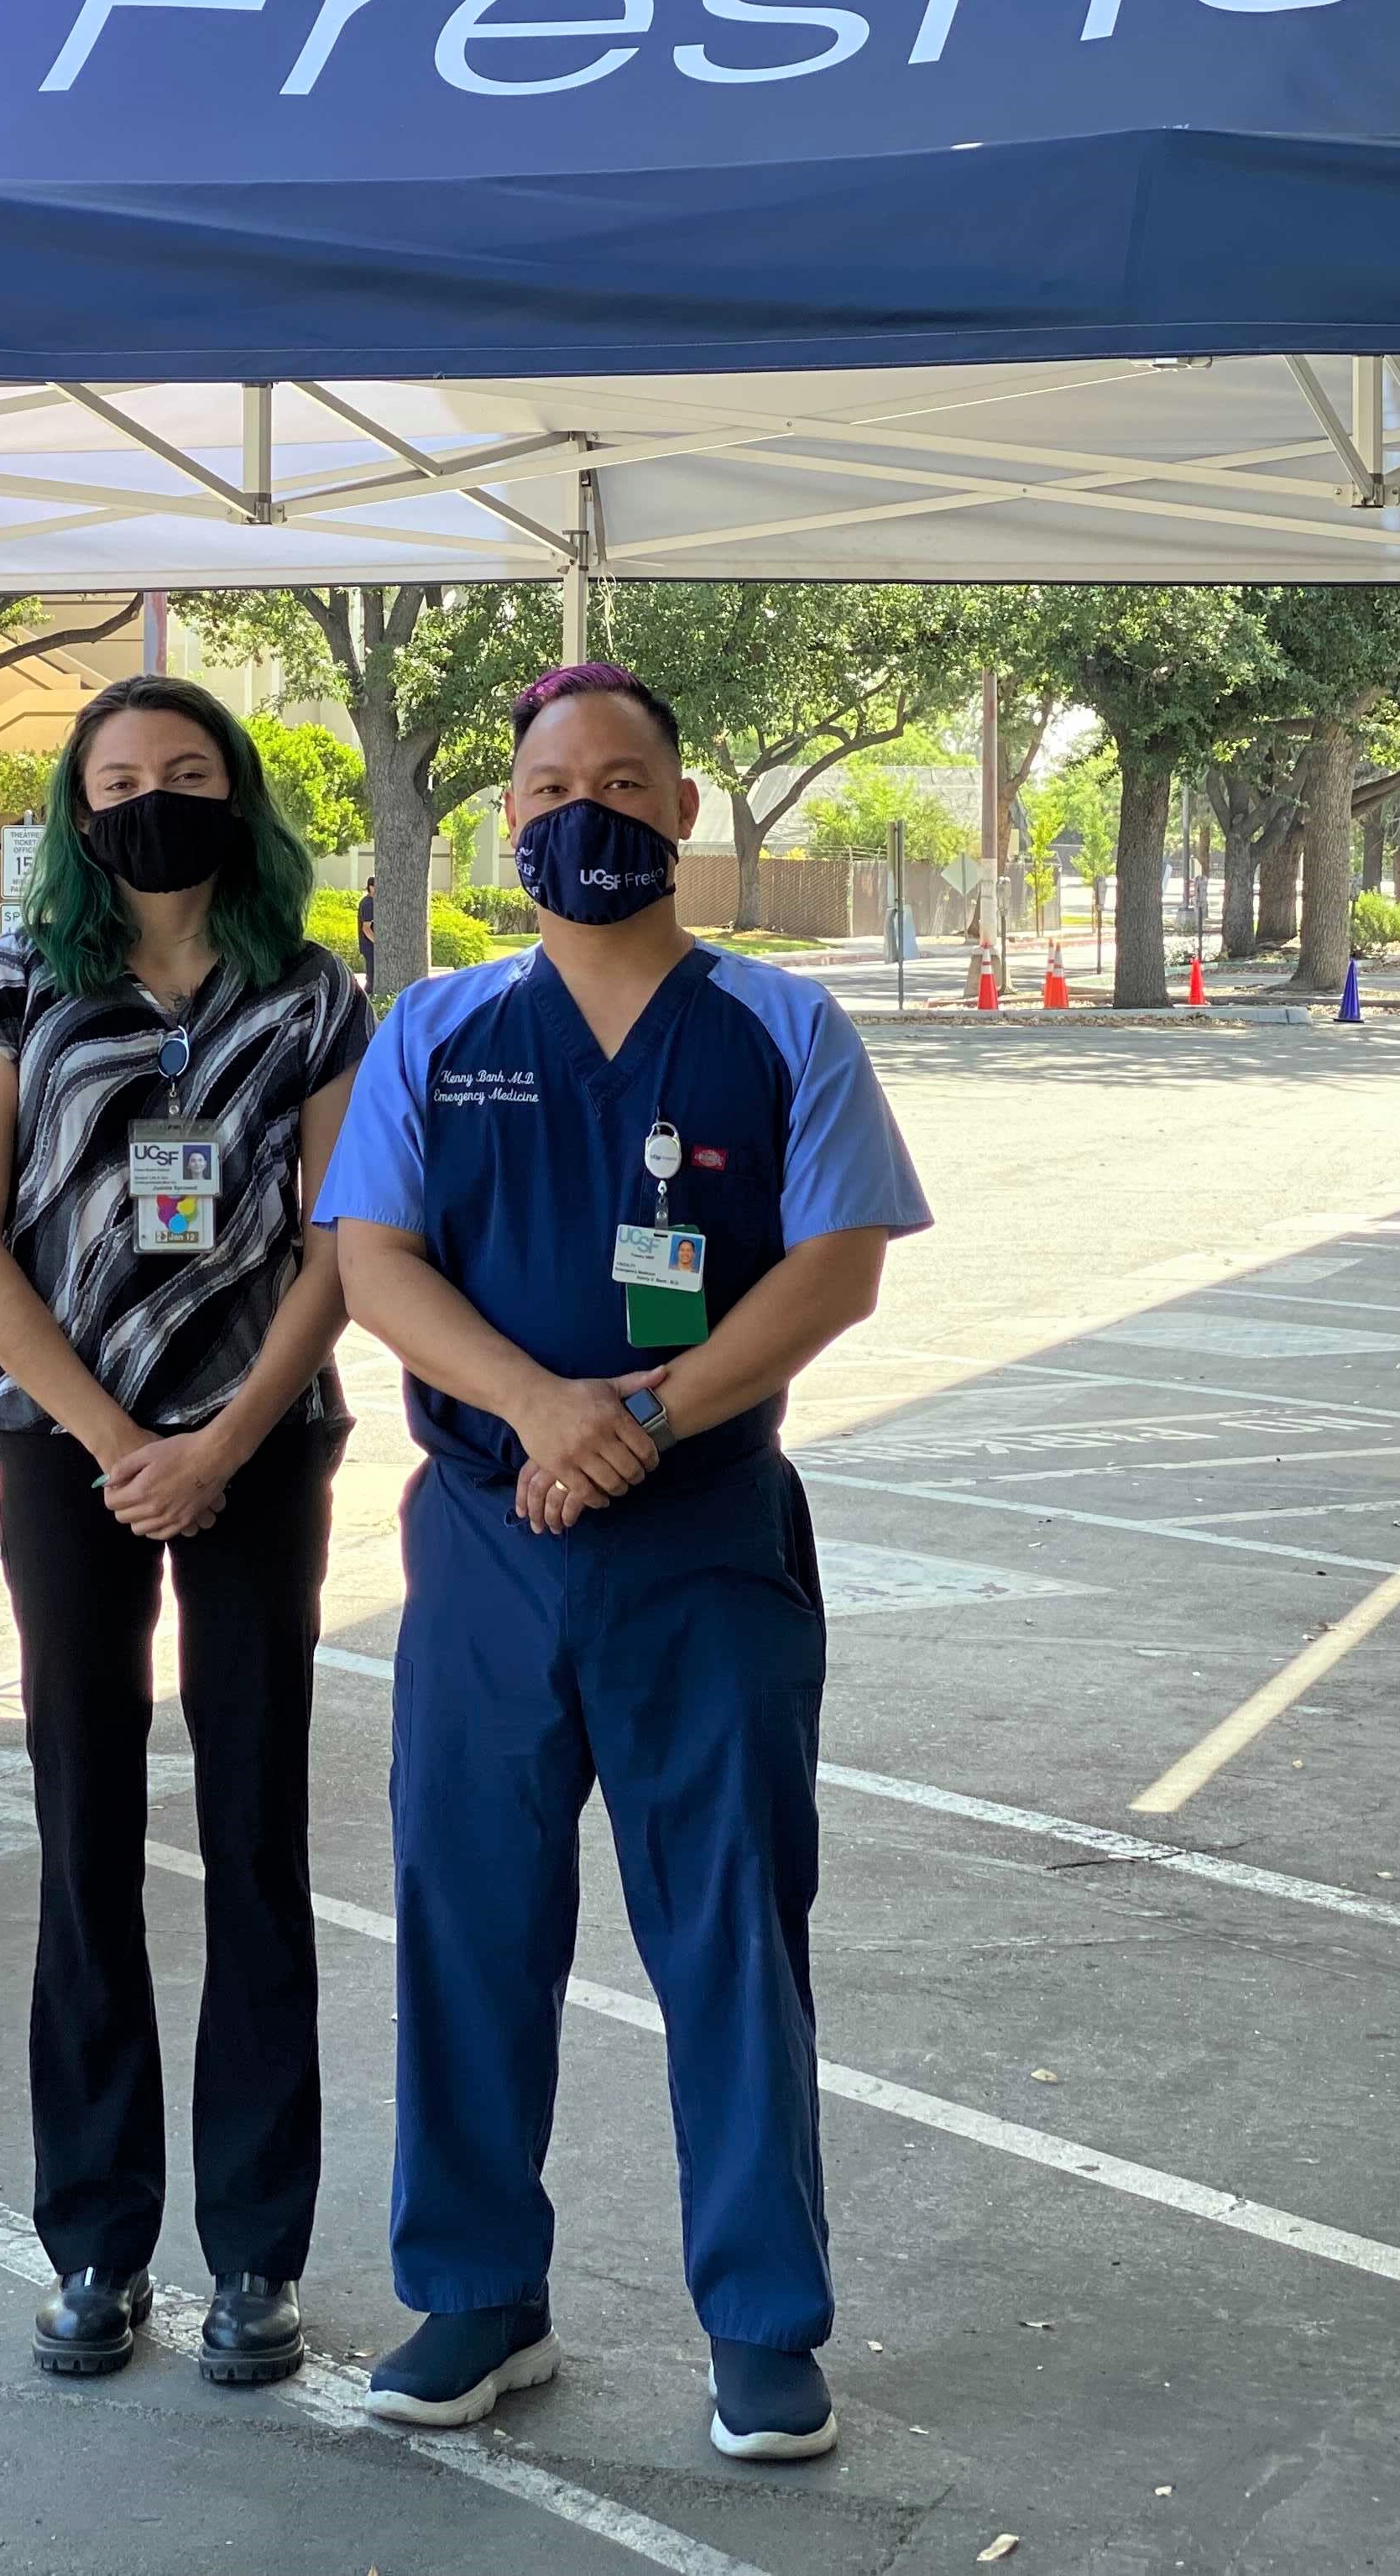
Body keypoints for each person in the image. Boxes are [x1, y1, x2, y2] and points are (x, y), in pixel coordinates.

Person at [313, 661, 930, 2463]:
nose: (584, 805)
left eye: (624, 777)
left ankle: (762, 2322)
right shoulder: (437, 1029)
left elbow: (836, 1268)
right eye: (550, 781)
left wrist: (640, 1427)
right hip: (488, 1553)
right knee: (469, 1918)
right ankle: (479, 2296)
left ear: (681, 811)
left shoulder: (784, 1029)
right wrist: (536, 1407)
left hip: (703, 1544)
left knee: (732, 1926)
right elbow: (376, 1262)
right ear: (510, 818)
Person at [0, 675, 369, 2391]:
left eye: (188, 774)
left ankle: (258, 2254)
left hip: (264, 1445)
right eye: (119, 778)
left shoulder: (315, 994)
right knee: (83, 1831)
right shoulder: (14, 987)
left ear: (239, 797)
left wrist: (226, 1439)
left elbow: (347, 1242)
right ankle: (97, 2243)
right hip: (71, 1451)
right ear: (76, 804)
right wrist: (122, 1441)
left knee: (257, 1835)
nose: (152, 801)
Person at [356, 877, 377, 997]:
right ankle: (367, 996)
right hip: (369, 945)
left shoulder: (372, 902)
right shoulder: (368, 903)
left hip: (370, 944)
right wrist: (377, 943)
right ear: (371, 887)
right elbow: (366, 928)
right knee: (371, 976)